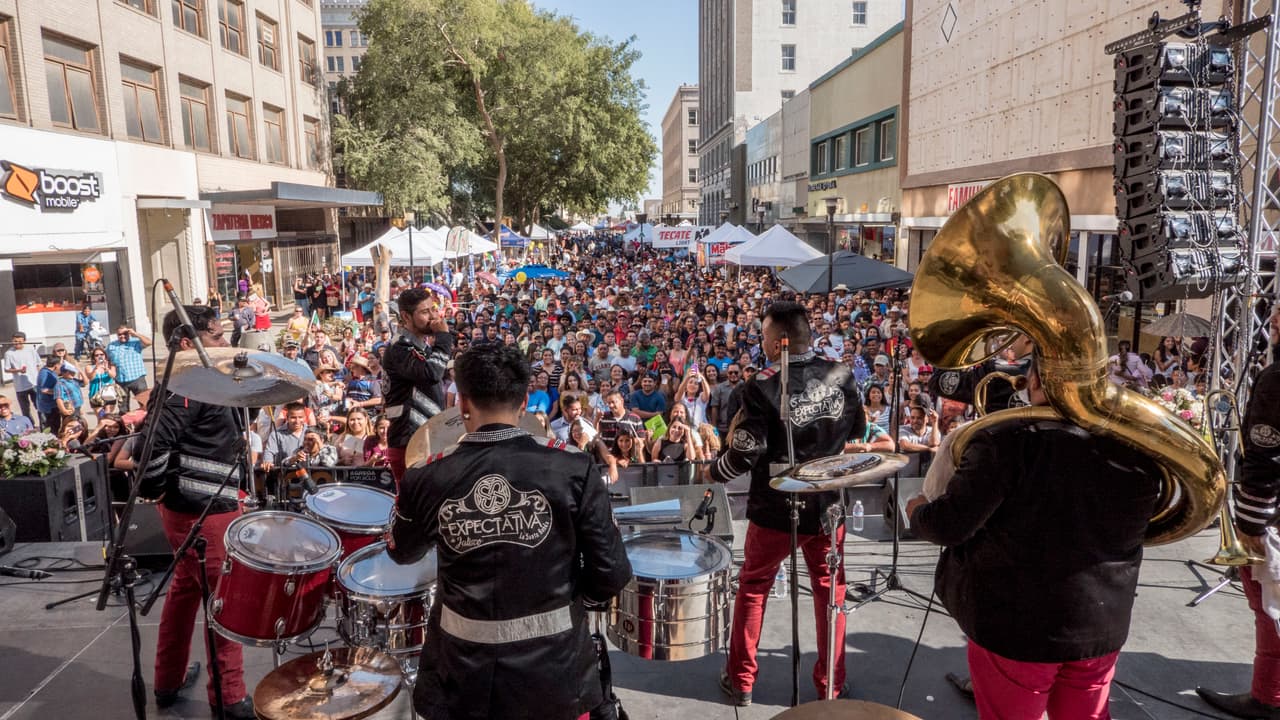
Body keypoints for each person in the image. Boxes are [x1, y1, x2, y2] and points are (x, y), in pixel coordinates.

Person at [905, 355, 1161, 720]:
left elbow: (948, 525)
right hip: (1100, 624)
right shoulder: (1144, 449)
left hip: (1017, 629)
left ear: (1037, 382)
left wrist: (916, 509)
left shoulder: (1005, 440)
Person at [388, 342, 632, 720]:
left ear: (463, 403)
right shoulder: (574, 468)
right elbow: (611, 573)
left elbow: (401, 552)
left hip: (461, 679)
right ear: (523, 404)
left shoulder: (425, 477)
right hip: (557, 677)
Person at [708, 300, 866, 705]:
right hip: (828, 505)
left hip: (775, 507)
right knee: (831, 593)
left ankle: (742, 681)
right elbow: (858, 429)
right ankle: (830, 685)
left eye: (762, 337)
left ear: (779, 341)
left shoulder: (760, 385)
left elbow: (744, 453)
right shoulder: (842, 374)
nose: (760, 343)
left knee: (755, 586)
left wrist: (712, 473)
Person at [135, 304, 252, 718]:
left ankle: (167, 681)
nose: (225, 342)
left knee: (185, 592)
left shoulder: (202, 382)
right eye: (216, 336)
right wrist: (157, 489)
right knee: (225, 603)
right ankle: (230, 697)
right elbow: (148, 446)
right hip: (205, 513)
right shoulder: (187, 387)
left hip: (192, 510)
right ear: (188, 343)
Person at [1197, 308, 1280, 719]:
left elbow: (1265, 456)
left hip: (1276, 518)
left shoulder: (1277, 379)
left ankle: (1268, 696)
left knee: (1268, 607)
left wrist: (1249, 524)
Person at [383, 287, 453, 482]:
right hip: (409, 440)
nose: (433, 316)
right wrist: (444, 338)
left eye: (433, 309)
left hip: (427, 439)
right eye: (424, 312)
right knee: (414, 505)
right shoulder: (400, 347)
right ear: (406, 316)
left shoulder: (419, 345)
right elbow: (432, 373)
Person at [106, 325, 152, 411]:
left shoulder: (135, 342)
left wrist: (135, 334)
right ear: (117, 335)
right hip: (120, 381)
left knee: (145, 404)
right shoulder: (111, 346)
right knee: (123, 408)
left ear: (129, 333)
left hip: (137, 379)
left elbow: (149, 342)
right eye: (120, 334)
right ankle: (126, 424)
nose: (122, 336)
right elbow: (107, 359)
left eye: (125, 333)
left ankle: (146, 423)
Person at [4, 331, 43, 428]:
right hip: (20, 386)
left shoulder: (31, 350)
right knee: (25, 410)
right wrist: (18, 370)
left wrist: (40, 379)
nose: (17, 343)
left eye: (19, 341)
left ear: (24, 341)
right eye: (15, 341)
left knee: (39, 406)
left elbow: (38, 364)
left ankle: (43, 426)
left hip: (33, 383)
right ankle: (29, 427)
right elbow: (6, 369)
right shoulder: (9, 353)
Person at [261, 402, 309, 472]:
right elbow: (269, 452)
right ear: (287, 417)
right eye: (293, 417)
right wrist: (268, 462)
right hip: (285, 476)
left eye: (300, 417)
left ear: (305, 418)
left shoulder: (311, 432)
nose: (297, 421)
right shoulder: (276, 434)